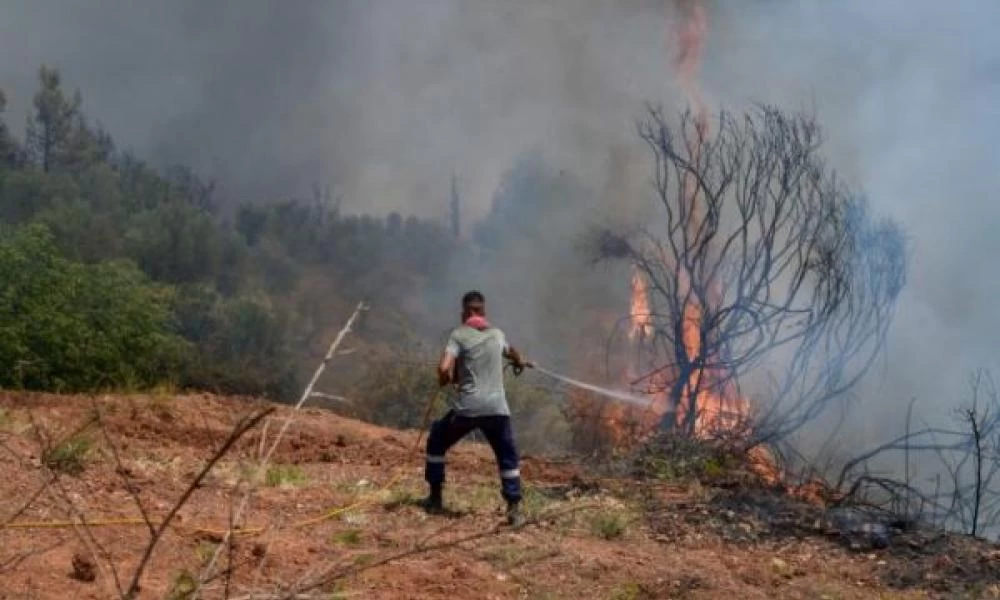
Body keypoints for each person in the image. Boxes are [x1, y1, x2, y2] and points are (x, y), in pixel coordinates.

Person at [422, 290, 532, 526]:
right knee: (507, 455)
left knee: (437, 438)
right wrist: (520, 361)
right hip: (497, 410)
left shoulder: (459, 335)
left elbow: (444, 368)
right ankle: (514, 509)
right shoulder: (497, 334)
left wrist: (444, 379)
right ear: (483, 311)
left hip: (468, 409)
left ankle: (435, 498)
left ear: (465, 312)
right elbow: (513, 352)